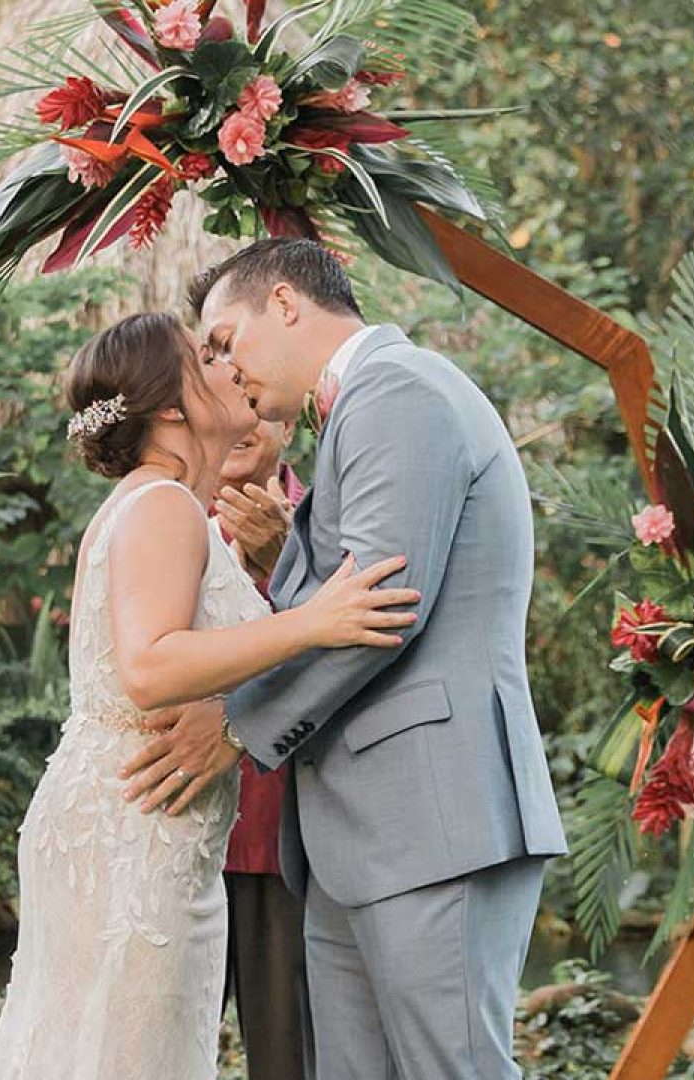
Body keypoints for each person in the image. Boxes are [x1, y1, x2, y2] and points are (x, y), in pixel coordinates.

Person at [119, 240, 568, 1080]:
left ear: (285, 304)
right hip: (360, 838)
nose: (221, 369)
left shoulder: (399, 393)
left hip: (435, 825)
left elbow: (380, 615)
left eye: (223, 340)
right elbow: (333, 601)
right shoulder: (367, 407)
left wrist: (236, 726)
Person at [0, 312, 419, 1080]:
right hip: (134, 831)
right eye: (206, 358)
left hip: (139, 820)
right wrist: (312, 624)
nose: (231, 366)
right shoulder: (162, 506)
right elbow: (150, 667)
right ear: (175, 404)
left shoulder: (156, 503)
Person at [213, 419, 316, 1080]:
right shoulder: (163, 519)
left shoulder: (327, 521)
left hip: (287, 833)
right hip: (172, 822)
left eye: (256, 400)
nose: (240, 421)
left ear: (287, 421)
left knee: (287, 1061)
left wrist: (288, 562)